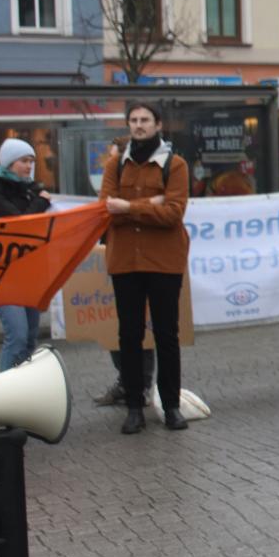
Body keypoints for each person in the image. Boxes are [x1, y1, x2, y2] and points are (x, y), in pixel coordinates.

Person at [100, 101, 190, 435]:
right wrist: (149, 204)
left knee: (167, 335)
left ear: (157, 125)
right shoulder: (115, 165)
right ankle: (134, 408)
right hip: (125, 261)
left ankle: (171, 407)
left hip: (165, 261)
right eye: (133, 120)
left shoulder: (175, 164)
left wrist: (128, 207)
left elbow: (173, 214)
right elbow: (106, 209)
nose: (139, 125)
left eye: (145, 120)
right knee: (130, 335)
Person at [0, 138, 51, 371]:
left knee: (30, 338)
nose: (29, 166)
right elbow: (20, 225)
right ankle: (5, 388)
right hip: (2, 276)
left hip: (29, 274)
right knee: (17, 336)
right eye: (24, 161)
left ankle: (21, 387)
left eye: (32, 161)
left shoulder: (29, 191)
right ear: (8, 162)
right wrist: (42, 203)